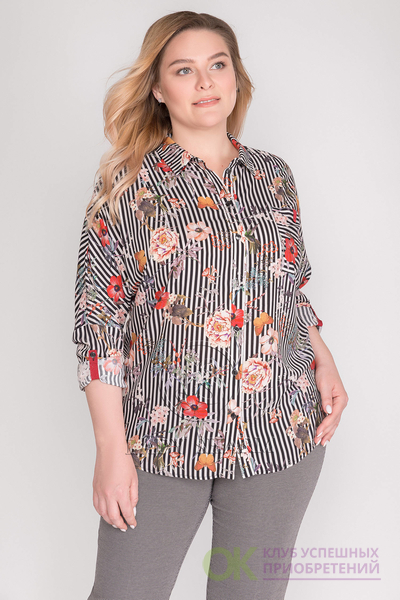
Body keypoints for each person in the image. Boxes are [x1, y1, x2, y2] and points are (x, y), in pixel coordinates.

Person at [72, 10, 348, 600]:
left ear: (235, 77)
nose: (204, 82)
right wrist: (110, 451)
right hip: (163, 438)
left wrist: (325, 361)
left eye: (217, 65)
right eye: (183, 69)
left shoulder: (272, 175)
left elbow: (289, 289)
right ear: (157, 88)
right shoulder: (127, 184)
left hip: (280, 431)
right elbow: (99, 327)